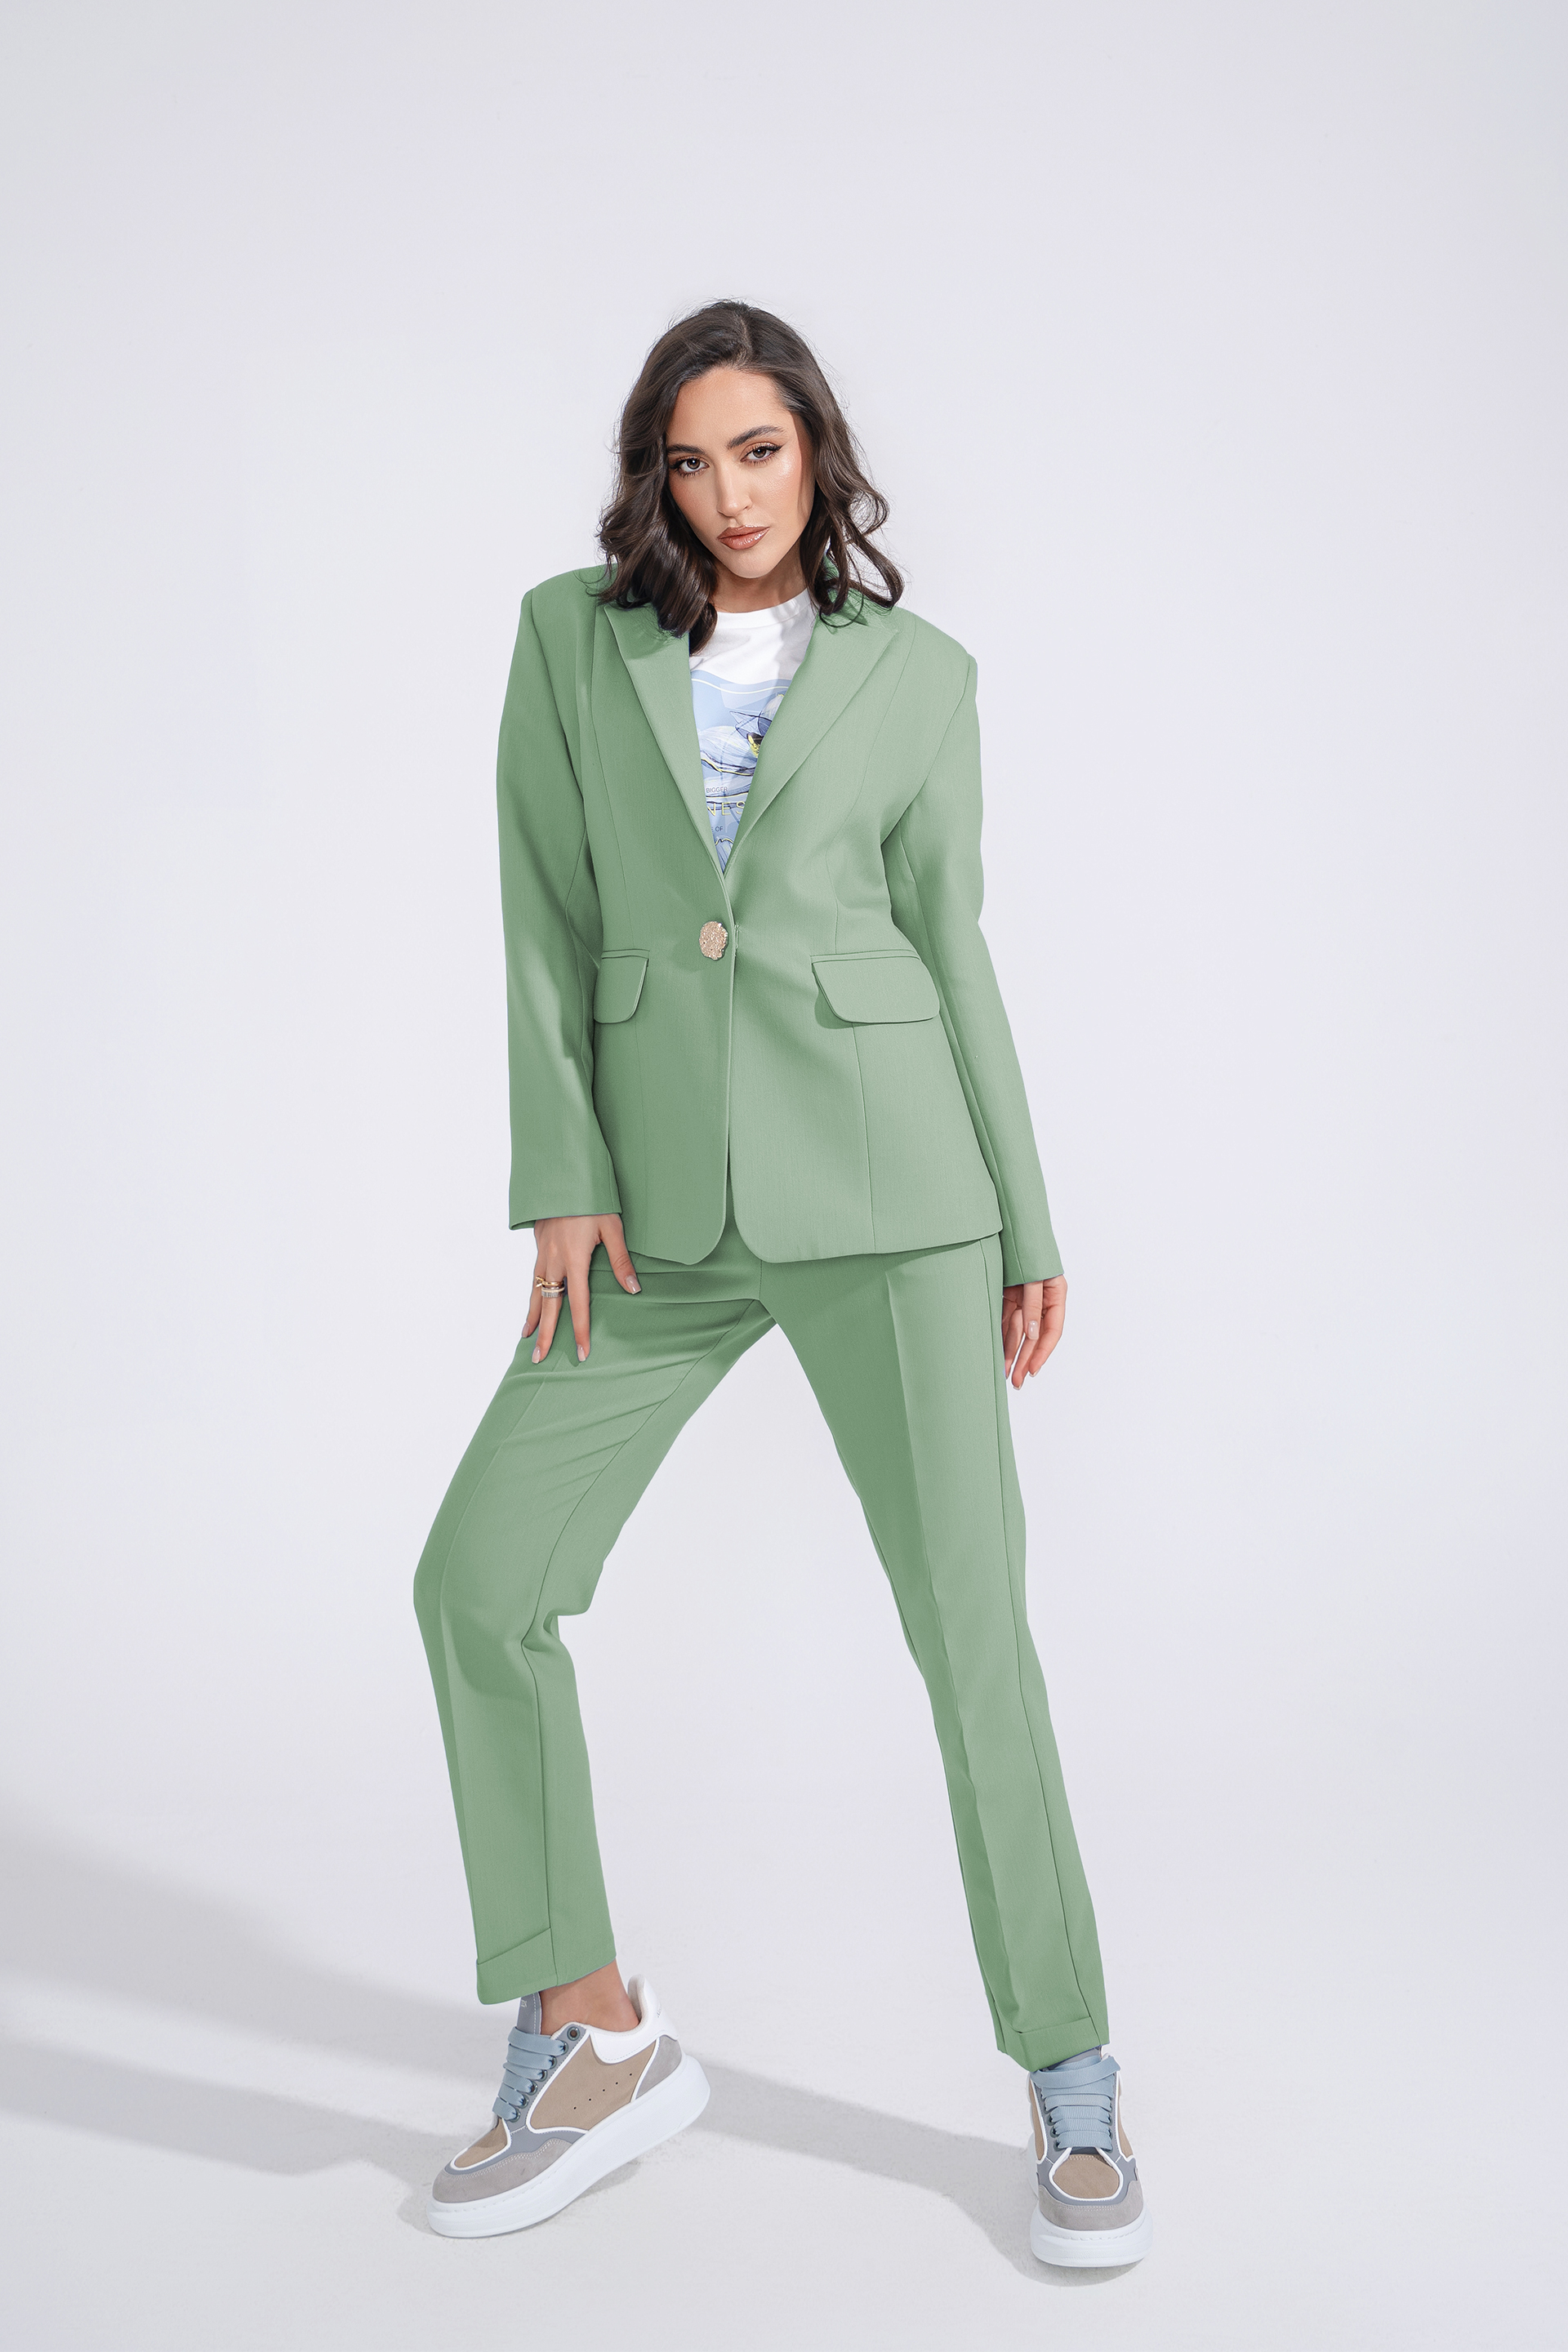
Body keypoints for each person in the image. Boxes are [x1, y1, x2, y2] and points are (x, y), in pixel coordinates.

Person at [412, 301, 1152, 2267]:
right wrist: (560, 1180)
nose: (729, 494)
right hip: (650, 1214)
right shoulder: (570, 642)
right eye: (690, 460)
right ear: (653, 478)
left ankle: (1070, 2071)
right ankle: (593, 2031)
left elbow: (954, 945)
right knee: (480, 1583)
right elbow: (540, 911)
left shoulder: (922, 677)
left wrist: (1029, 1218)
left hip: (898, 1195)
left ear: (816, 450)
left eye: (760, 450)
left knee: (970, 1635)